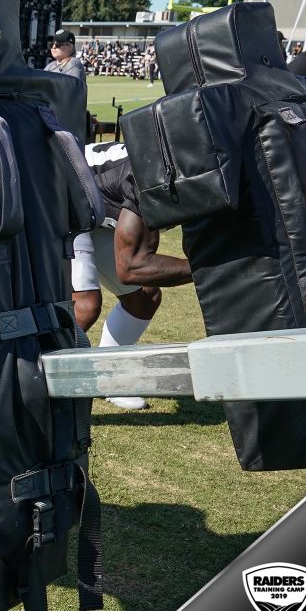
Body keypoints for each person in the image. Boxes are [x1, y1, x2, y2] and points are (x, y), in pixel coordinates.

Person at [72, 141, 193, 410]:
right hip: (62, 200)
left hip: (98, 207)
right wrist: (204, 267)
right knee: (86, 305)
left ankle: (109, 379)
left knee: (144, 297)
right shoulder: (151, 177)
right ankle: (22, 384)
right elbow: (133, 267)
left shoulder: (182, 168)